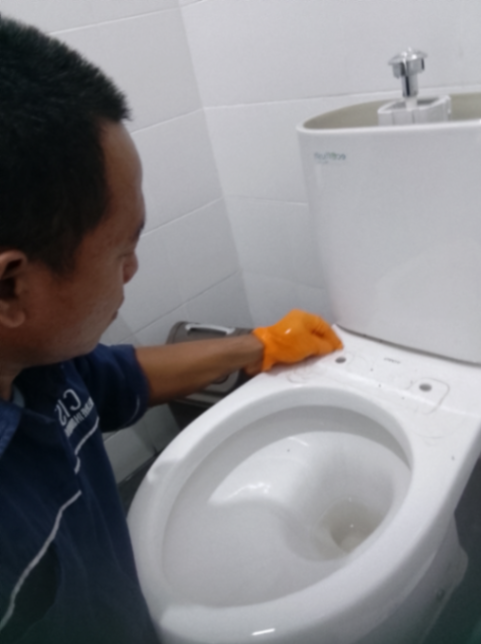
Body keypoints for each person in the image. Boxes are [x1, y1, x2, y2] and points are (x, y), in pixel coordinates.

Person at [0, 15, 342, 644]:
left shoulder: (34, 362)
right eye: (122, 250)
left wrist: (260, 345)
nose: (134, 269)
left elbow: (112, 378)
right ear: (10, 288)